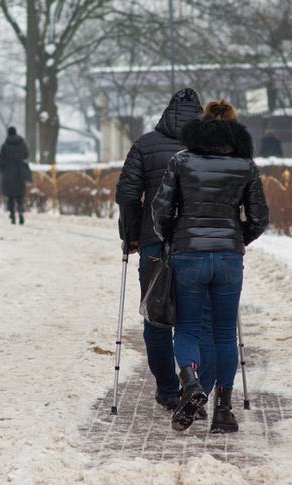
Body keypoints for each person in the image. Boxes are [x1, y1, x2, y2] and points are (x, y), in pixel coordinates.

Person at [152, 100, 269, 433]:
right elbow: (259, 217)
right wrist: (235, 239)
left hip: (188, 255)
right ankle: (224, 411)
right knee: (224, 335)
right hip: (229, 258)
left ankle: (190, 382)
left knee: (187, 329)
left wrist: (174, 238)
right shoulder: (245, 166)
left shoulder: (181, 161)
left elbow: (161, 211)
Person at [116, 88, 216, 417]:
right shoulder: (213, 145)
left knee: (157, 316)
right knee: (200, 322)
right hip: (200, 243)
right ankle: (198, 385)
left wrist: (130, 236)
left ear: (166, 112)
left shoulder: (145, 145)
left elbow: (128, 193)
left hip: (153, 243)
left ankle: (169, 391)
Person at [0, 126, 30, 224]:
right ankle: (20, 209)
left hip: (8, 174)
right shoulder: (22, 144)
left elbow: (0, 160)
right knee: (20, 196)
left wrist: (3, 169)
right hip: (20, 173)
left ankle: (12, 215)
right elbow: (26, 155)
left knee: (10, 197)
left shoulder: (5, 146)